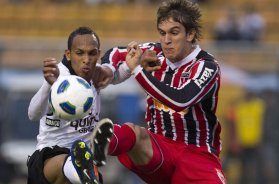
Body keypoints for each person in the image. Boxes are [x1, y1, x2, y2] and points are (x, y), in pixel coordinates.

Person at [92, 0, 226, 183]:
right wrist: (108, 69)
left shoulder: (207, 66)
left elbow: (180, 100)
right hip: (159, 152)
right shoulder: (154, 51)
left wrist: (137, 70)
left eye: (174, 32)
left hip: (197, 155)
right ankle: (96, 149)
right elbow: (116, 52)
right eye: (162, 33)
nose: (166, 40)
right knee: (135, 133)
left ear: (191, 34)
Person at [27, 26, 112, 184]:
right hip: (50, 156)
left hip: (85, 155)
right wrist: (48, 85)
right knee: (65, 160)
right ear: (68, 54)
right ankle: (82, 169)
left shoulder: (98, 74)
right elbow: (33, 114)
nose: (86, 59)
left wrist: (133, 66)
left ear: (98, 54)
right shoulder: (58, 76)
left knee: (127, 130)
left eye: (92, 53)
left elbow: (124, 69)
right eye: (80, 53)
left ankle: (89, 164)